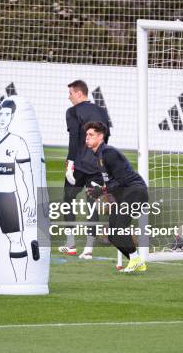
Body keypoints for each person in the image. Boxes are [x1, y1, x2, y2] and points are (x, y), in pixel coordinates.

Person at [83, 121, 148, 273]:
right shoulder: (99, 156)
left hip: (135, 192)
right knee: (112, 235)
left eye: (91, 134)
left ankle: (135, 260)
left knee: (119, 227)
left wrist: (102, 191)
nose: (87, 137)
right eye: (86, 135)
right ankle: (137, 261)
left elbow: (123, 180)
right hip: (124, 195)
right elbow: (113, 183)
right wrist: (101, 190)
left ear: (101, 136)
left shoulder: (109, 153)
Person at [59, 80, 111, 259]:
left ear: (79, 94)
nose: (69, 97)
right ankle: (88, 249)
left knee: (68, 199)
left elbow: (74, 138)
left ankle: (71, 243)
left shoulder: (72, 112)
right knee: (92, 204)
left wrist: (70, 163)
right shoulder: (101, 111)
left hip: (79, 164)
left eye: (71, 93)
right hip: (97, 164)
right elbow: (107, 136)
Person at [0, 99, 36, 281]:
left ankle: (20, 281)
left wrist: (30, 198)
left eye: (7, 115)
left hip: (9, 197)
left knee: (16, 239)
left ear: (12, 118)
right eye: (1, 114)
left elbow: (27, 172)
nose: (3, 118)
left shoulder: (18, 141)